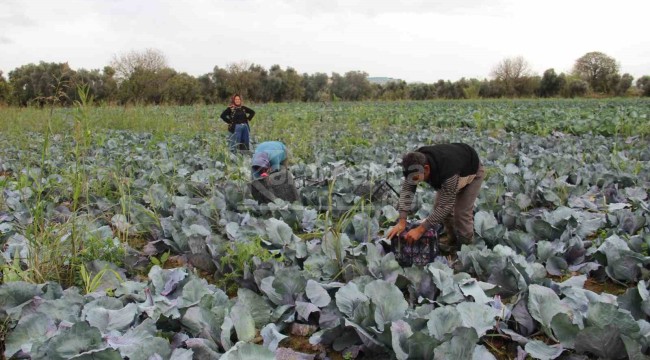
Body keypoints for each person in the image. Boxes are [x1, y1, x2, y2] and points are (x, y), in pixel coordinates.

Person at [386, 143, 485, 253]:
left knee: (461, 213)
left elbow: (445, 206)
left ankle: (467, 249)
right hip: (455, 166)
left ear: (427, 169)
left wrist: (420, 230)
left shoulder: (448, 172)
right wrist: (402, 220)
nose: (415, 181)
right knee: (438, 205)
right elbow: (408, 189)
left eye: (416, 178)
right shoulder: (415, 163)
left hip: (472, 171)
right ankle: (452, 239)